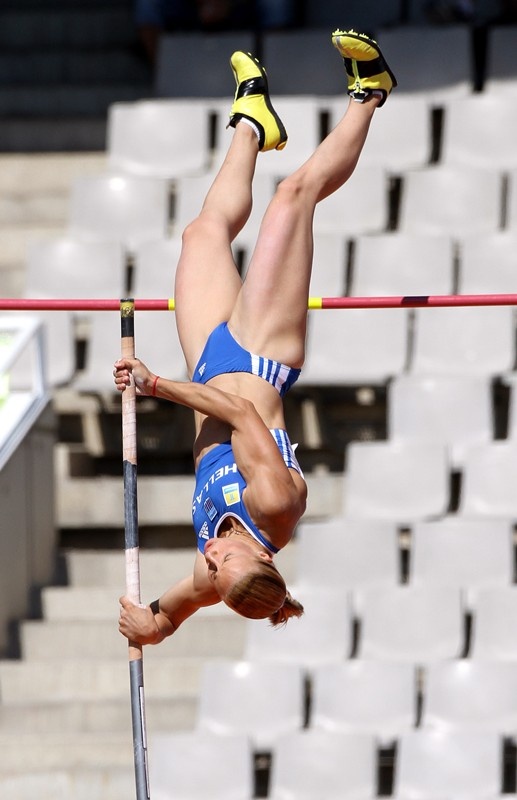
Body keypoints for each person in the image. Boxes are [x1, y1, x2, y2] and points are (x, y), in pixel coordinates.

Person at [114, 29, 397, 643]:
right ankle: (370, 94)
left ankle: (251, 116)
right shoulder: (274, 508)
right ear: (266, 558)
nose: (210, 561)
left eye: (211, 573)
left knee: (202, 235)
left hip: (210, 358)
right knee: (292, 198)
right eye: (223, 564)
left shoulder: (214, 572)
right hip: (259, 356)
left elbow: (169, 614)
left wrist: (149, 627)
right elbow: (241, 414)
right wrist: (155, 384)